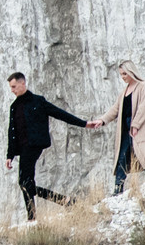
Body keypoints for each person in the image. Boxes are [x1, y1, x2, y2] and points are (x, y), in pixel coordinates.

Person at [6, 71, 100, 221]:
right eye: (11, 87)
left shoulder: (37, 101)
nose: (12, 90)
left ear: (23, 83)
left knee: (24, 182)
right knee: (26, 183)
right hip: (22, 148)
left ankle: (33, 217)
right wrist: (9, 155)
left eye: (14, 87)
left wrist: (84, 124)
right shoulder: (14, 106)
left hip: (34, 145)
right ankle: (64, 202)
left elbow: (59, 113)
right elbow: (12, 132)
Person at [97, 61, 145, 195]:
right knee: (122, 156)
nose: (123, 77)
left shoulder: (143, 86)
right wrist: (102, 120)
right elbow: (115, 109)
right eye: (121, 74)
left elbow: (144, 106)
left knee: (144, 155)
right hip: (125, 128)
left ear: (131, 72)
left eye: (125, 74)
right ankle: (118, 189)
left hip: (139, 128)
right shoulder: (124, 92)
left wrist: (136, 125)